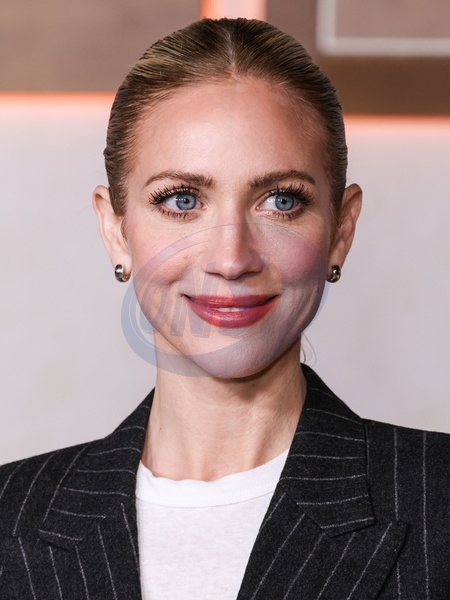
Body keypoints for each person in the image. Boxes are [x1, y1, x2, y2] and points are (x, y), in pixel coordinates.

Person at [0, 17, 449, 600]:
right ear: (115, 230)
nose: (231, 259)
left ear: (341, 229)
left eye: (280, 201)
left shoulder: (437, 500)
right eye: (182, 200)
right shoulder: (10, 515)